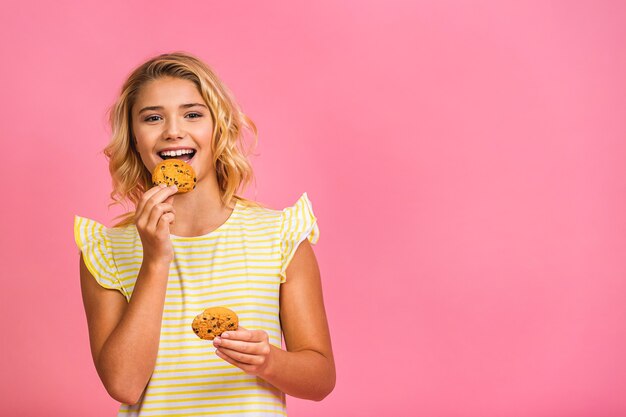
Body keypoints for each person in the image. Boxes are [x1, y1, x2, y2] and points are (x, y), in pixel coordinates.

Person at [74, 51, 335, 416]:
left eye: (192, 114)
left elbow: (321, 380)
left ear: (219, 129)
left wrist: (268, 361)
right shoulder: (107, 251)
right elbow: (125, 385)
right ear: (134, 139)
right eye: (152, 118)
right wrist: (155, 260)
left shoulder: (280, 236)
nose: (173, 131)